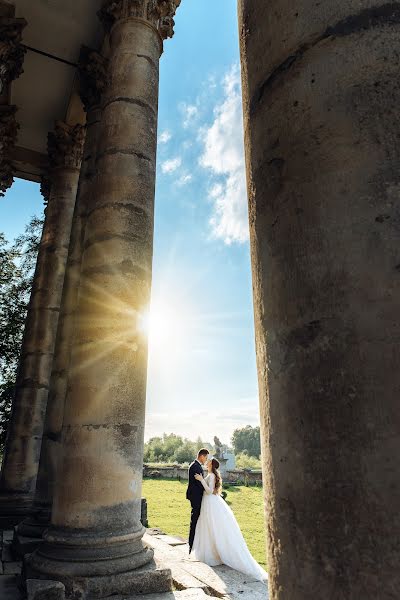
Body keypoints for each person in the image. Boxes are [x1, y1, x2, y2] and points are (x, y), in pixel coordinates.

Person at [192, 457, 267, 583]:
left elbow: (210, 491)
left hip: (211, 503)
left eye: (208, 462)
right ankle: (211, 552)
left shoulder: (212, 476)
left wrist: (201, 480)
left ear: (211, 465)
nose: (207, 463)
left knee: (214, 527)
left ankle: (217, 554)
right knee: (208, 527)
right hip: (208, 503)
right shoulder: (210, 475)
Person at [186, 448, 209, 553]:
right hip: (196, 497)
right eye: (206, 457)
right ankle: (191, 544)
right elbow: (198, 485)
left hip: (195, 496)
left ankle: (194, 543)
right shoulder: (196, 466)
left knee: (195, 519)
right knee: (195, 520)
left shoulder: (195, 465)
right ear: (202, 456)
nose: (206, 460)